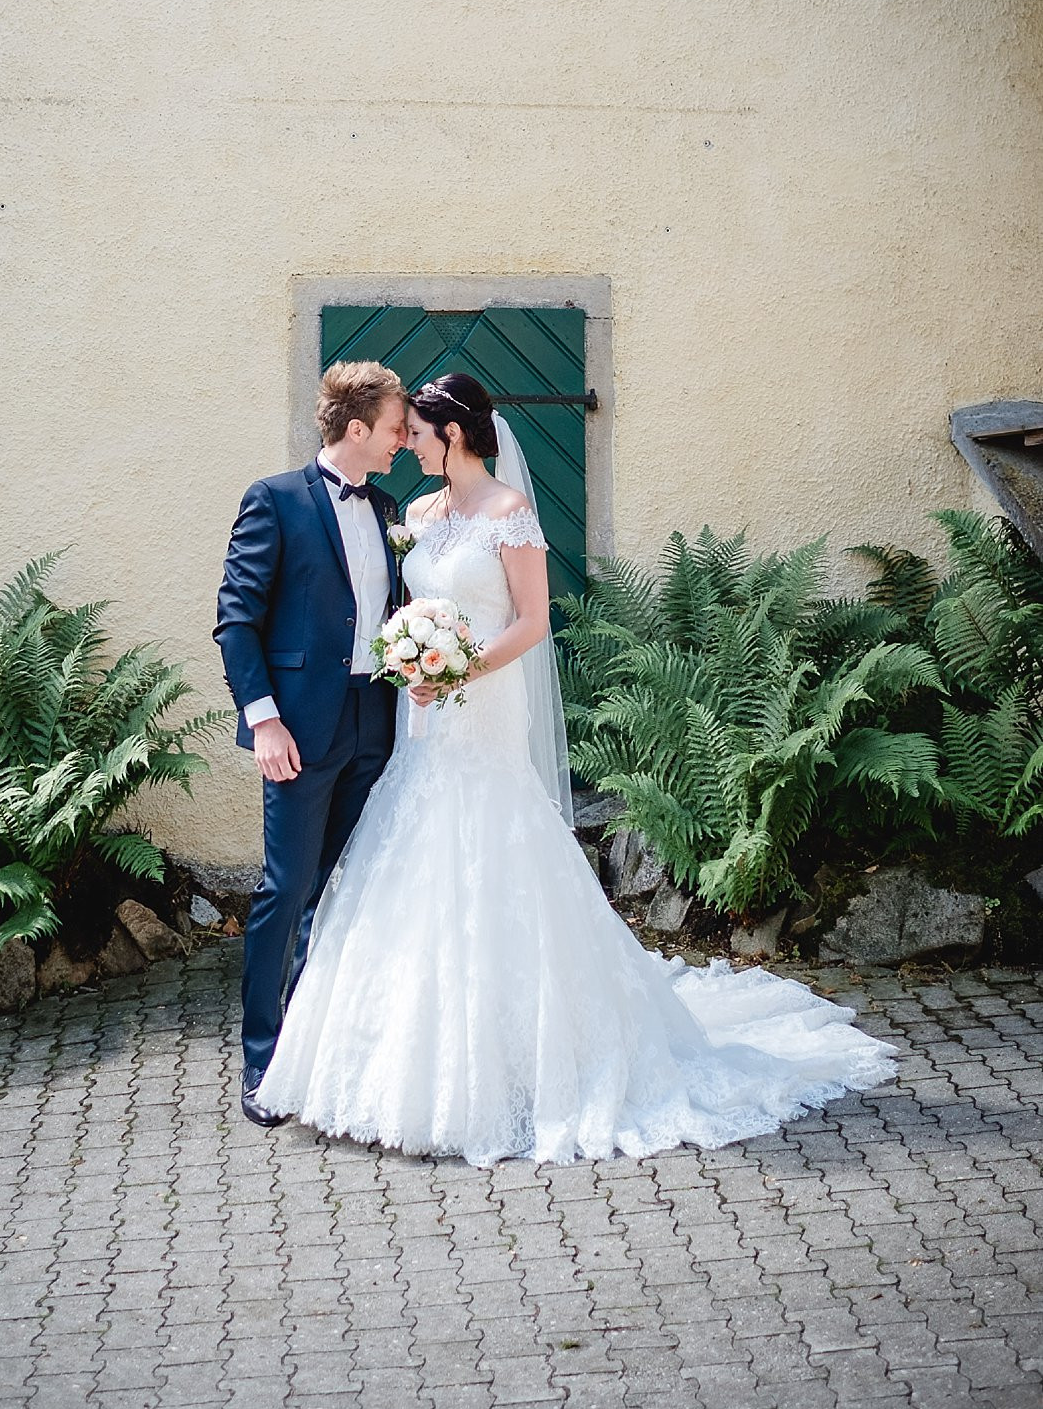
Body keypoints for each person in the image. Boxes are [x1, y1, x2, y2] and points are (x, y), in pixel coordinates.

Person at [253, 372, 897, 1167]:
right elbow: (383, 610)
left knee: (493, 855)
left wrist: (458, 670)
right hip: (418, 723)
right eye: (402, 431)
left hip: (479, 711)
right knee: (404, 862)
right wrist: (406, 653)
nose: (406, 442)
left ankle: (525, 1063)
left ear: (451, 435)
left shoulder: (508, 516)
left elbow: (531, 622)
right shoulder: (414, 515)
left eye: (417, 432)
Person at [215, 359, 408, 1127]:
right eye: (394, 428)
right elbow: (236, 619)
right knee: (286, 889)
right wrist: (264, 721)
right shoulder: (274, 501)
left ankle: (328, 1049)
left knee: (348, 888)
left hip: (376, 720)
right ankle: (264, 1063)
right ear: (356, 429)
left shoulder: (389, 505)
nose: (402, 440)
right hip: (296, 728)